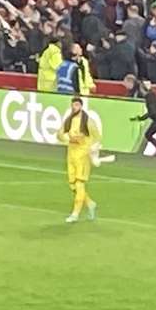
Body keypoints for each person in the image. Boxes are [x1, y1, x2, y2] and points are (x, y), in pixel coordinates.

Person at [56, 96, 99, 224]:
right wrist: (68, 139)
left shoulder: (88, 122)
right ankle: (90, 204)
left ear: (81, 106)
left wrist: (93, 151)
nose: (74, 107)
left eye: (76, 105)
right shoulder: (69, 121)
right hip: (71, 155)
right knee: (73, 185)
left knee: (80, 184)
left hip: (83, 156)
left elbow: (97, 137)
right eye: (73, 105)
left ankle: (75, 213)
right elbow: (59, 134)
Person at [125, 73, 156, 157]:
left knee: (148, 135)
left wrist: (141, 118)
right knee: (148, 135)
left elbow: (152, 112)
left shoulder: (149, 97)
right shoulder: (151, 95)